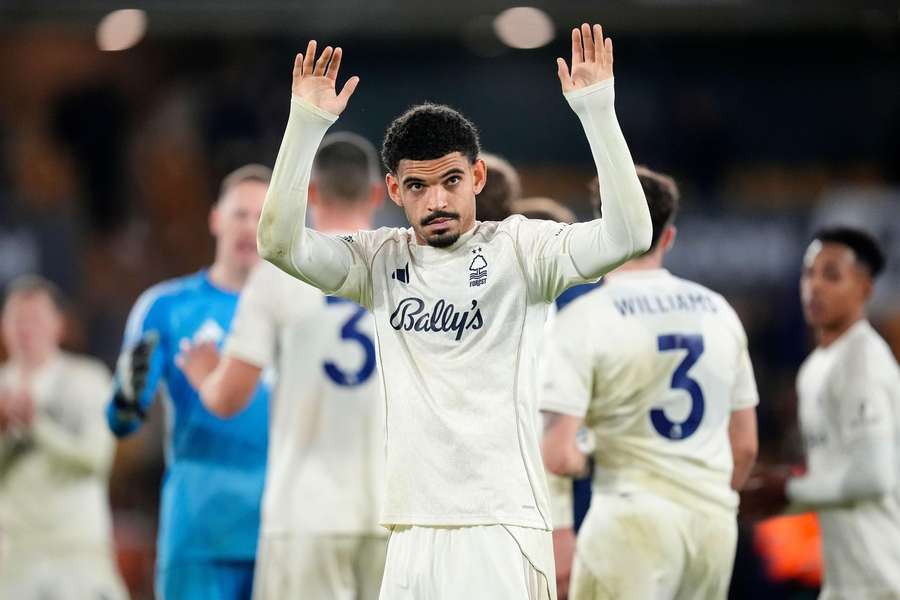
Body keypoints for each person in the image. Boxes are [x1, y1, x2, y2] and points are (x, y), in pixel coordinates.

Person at [257, 23, 652, 599]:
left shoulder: (524, 250)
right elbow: (278, 244)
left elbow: (629, 233)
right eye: (418, 187)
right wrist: (305, 127)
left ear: (477, 177)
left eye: (450, 180)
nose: (437, 201)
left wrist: (597, 112)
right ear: (393, 191)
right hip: (410, 529)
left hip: (500, 525)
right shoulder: (378, 262)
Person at [176, 133, 388, 600]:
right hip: (393, 510)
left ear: (310, 193)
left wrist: (203, 375)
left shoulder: (279, 269)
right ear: (377, 193)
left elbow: (228, 398)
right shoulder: (404, 265)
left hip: (305, 512)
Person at [541, 166, 760, 599]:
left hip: (629, 519)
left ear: (603, 228)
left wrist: (587, 452)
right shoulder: (720, 311)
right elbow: (746, 446)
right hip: (712, 524)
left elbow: (559, 455)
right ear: (669, 237)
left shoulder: (585, 318)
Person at [106, 165, 272, 600]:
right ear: (215, 217)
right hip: (199, 529)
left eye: (262, 215)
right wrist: (125, 397)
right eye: (239, 214)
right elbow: (123, 421)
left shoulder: (300, 309)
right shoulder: (166, 308)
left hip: (282, 529)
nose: (249, 227)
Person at [786, 227, 899, 598]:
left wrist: (788, 490)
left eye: (831, 275)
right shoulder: (815, 368)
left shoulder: (862, 361)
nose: (814, 286)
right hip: (845, 580)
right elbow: (836, 475)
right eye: (809, 273)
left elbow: (874, 478)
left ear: (865, 289)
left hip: (883, 580)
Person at [0, 276, 128, 599]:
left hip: (78, 555)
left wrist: (35, 427)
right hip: (14, 557)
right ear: (4, 327)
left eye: (37, 319)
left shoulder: (88, 379)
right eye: (18, 319)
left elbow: (95, 460)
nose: (27, 329)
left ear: (59, 325)